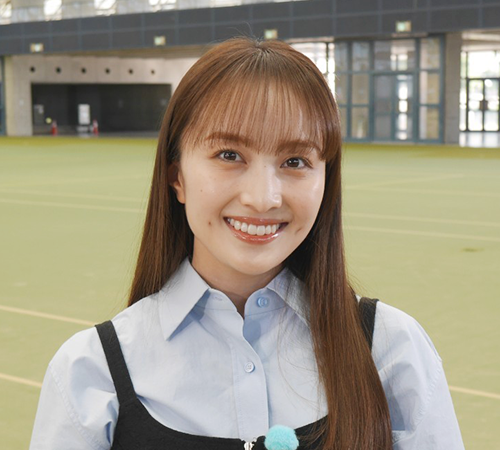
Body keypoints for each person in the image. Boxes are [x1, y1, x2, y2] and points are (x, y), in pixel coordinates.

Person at [29, 37, 465, 450]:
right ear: (176, 176)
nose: (263, 198)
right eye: (229, 155)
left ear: (325, 181)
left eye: (295, 161)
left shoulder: (392, 350)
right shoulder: (92, 372)